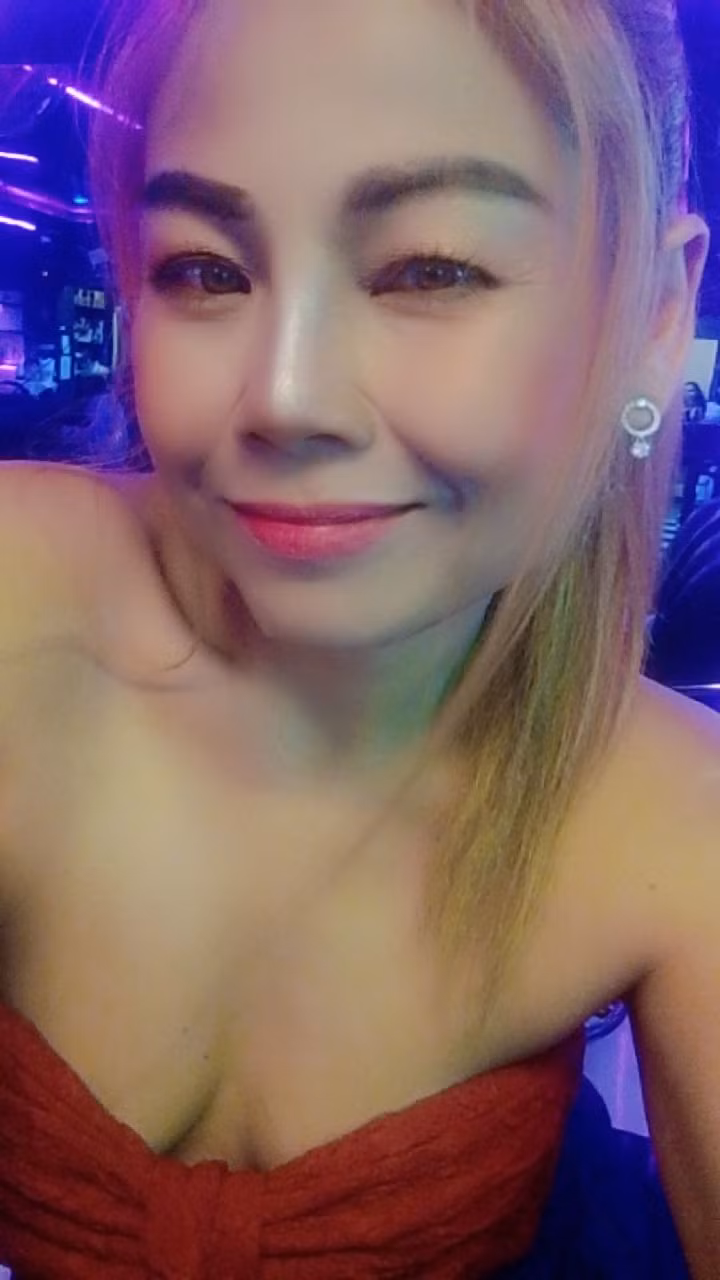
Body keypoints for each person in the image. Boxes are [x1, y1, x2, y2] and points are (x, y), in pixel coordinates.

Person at [0, 0, 718, 1276]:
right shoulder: (23, 608)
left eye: (429, 268)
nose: (285, 398)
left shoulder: (671, 817)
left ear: (658, 311)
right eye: (204, 270)